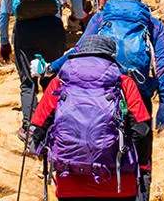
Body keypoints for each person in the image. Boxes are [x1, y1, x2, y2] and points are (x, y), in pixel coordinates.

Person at [75, 0, 164, 198]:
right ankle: (141, 189)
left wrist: (53, 67)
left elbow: (80, 49)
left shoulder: (100, 18)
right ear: (139, 0)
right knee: (142, 152)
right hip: (140, 94)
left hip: (102, 92)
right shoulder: (152, 23)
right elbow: (163, 64)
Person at [29, 34, 151, 201]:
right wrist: (142, 166)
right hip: (119, 185)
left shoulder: (60, 83)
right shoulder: (124, 83)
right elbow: (142, 131)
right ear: (111, 57)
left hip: (70, 186)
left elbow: (37, 128)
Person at [0, 0, 87, 124]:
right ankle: (53, 122)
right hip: (52, 28)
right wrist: (78, 15)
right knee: (52, 76)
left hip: (24, 29)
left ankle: (30, 127)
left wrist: (5, 42)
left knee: (28, 82)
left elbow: (4, 13)